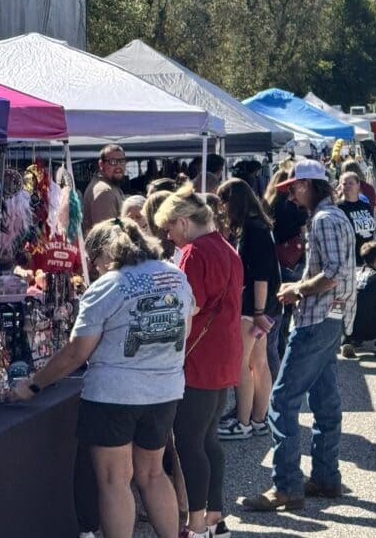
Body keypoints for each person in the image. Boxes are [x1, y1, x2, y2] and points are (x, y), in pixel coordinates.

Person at [12, 218, 193, 538]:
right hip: (164, 390)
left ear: (106, 253)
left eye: (94, 260)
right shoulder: (174, 276)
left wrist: (34, 384)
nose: (94, 268)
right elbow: (184, 330)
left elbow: (76, 353)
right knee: (153, 474)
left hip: (114, 394)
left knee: (114, 480)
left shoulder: (108, 285)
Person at [244, 159, 356, 511]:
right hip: (331, 316)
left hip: (317, 318)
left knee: (282, 400)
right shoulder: (333, 216)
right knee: (325, 400)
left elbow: (333, 273)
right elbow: (336, 272)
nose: (291, 195)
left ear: (307, 185)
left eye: (293, 188)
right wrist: (302, 287)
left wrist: (298, 290)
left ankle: (287, 486)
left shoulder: (324, 219)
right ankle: (325, 477)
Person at [155, 185, 242, 538]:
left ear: (183, 222)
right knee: (208, 440)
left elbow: (185, 308)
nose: (168, 236)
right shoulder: (227, 248)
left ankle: (197, 524)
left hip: (199, 357)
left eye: (169, 228)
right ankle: (214, 517)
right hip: (224, 353)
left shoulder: (195, 252)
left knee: (189, 442)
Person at [216, 180, 282, 442]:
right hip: (263, 306)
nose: (222, 209)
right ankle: (258, 419)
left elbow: (260, 275)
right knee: (259, 362)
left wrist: (257, 311)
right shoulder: (261, 226)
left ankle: (243, 422)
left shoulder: (252, 230)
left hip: (253, 307)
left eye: (224, 202)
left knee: (242, 364)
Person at [337, 171, 376, 265]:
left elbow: (372, 229)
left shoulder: (365, 205)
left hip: (369, 257)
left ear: (358, 185)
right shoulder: (338, 208)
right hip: (351, 259)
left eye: (351, 183)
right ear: (340, 186)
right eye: (344, 184)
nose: (347, 186)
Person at [83, 144, 128, 234]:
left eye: (122, 161)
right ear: (101, 164)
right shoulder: (105, 192)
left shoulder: (109, 186)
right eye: (113, 161)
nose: (118, 166)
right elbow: (107, 236)